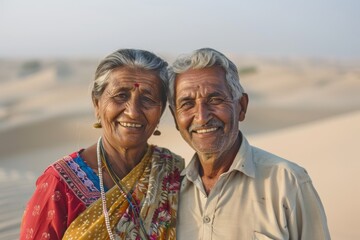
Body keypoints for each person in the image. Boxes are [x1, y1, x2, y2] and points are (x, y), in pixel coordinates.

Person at [20, 49, 184, 240]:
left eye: (147, 99)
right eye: (121, 96)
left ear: (161, 111)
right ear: (97, 104)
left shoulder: (173, 171)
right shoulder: (59, 184)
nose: (133, 112)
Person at [167, 48, 331, 239]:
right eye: (187, 103)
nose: (202, 117)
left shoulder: (287, 182)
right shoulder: (169, 193)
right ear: (175, 117)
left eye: (215, 99)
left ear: (242, 107)